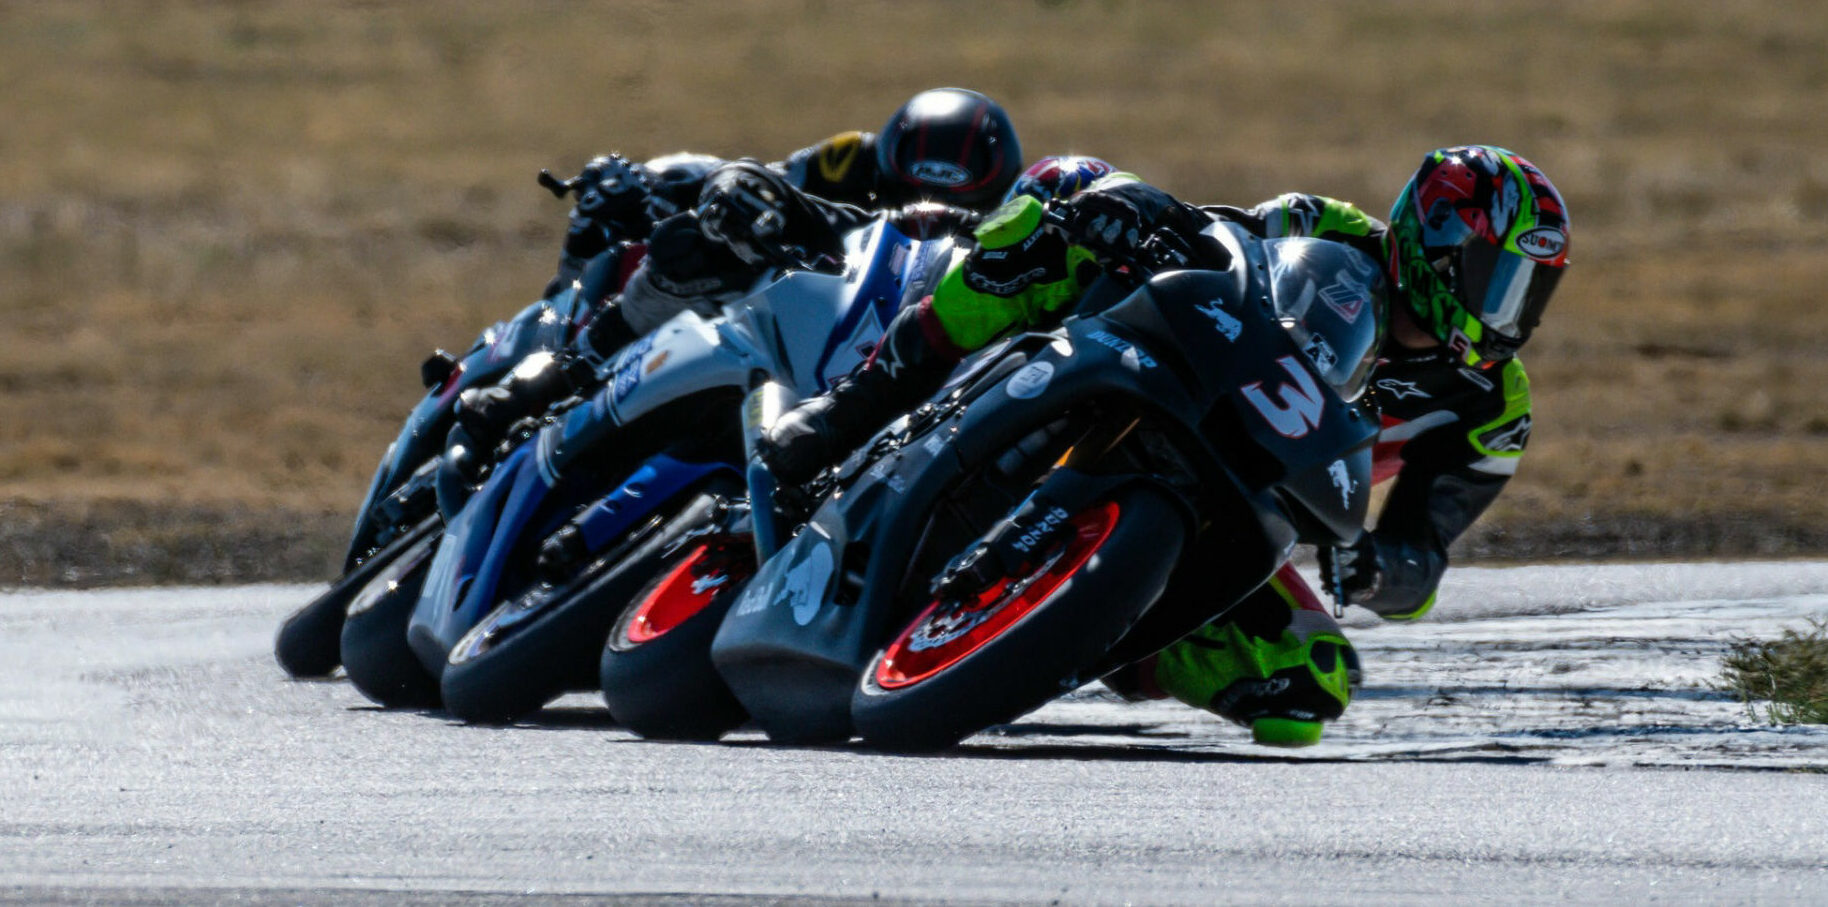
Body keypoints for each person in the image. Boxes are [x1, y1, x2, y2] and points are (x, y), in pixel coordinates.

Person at [758, 145, 1572, 747]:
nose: (1509, 312)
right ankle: (850, 409)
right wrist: (1141, 215)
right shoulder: (1326, 230)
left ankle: (1080, 637)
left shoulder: (1494, 406)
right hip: (1173, 380)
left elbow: (1422, 561)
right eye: (1492, 276)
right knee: (1053, 221)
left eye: (1529, 292)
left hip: (1249, 507)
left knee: (1308, 681)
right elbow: (1220, 246)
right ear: (1434, 242)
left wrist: (1379, 572)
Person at [454, 88, 1024, 450]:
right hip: (788, 293)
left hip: (866, 366)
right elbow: (757, 184)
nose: (930, 208)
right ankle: (558, 374)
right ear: (886, 173)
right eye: (911, 191)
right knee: (689, 247)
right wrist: (678, 191)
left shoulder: (1000, 257)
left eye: (957, 204)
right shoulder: (847, 158)